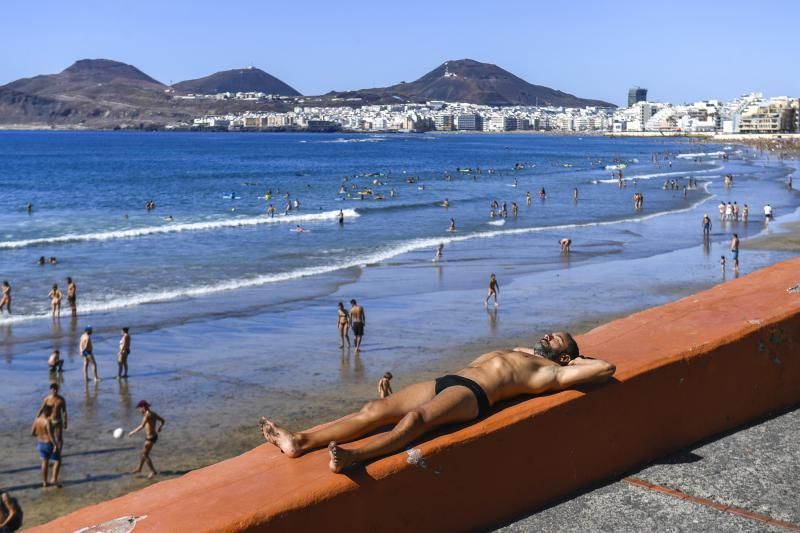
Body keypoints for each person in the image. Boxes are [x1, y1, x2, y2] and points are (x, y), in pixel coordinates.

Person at [259, 332, 615, 473]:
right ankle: (299, 441)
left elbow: (607, 367)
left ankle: (356, 457)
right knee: (374, 410)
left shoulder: (551, 373)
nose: (550, 334)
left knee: (416, 420)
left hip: (474, 396)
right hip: (450, 380)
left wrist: (578, 359)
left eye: (558, 338)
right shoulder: (524, 351)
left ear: (564, 357)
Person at [129, 400, 165, 479]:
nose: (139, 410)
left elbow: (142, 426)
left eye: (139, 408)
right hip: (153, 436)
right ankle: (139, 468)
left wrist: (132, 432)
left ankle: (153, 471)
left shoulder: (147, 415)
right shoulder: (153, 413)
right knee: (143, 453)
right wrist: (159, 428)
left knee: (145, 455)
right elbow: (163, 420)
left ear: (143, 407)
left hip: (150, 438)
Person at [31, 405, 61, 488]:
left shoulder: (36, 420)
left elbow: (32, 433)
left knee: (44, 463)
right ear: (47, 412)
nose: (52, 413)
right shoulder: (47, 421)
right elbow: (50, 434)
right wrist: (55, 445)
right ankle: (54, 479)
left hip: (40, 444)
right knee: (58, 461)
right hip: (48, 443)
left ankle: (44, 482)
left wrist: (41, 434)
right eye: (51, 411)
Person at [36, 383, 67, 451]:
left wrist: (65, 422)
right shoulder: (47, 399)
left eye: (56, 389)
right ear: (51, 390)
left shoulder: (61, 399)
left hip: (58, 420)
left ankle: (59, 453)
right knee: (49, 438)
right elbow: (41, 409)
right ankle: (51, 451)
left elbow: (64, 411)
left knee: (59, 438)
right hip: (49, 421)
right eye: (53, 390)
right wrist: (37, 418)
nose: (55, 391)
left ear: (58, 390)